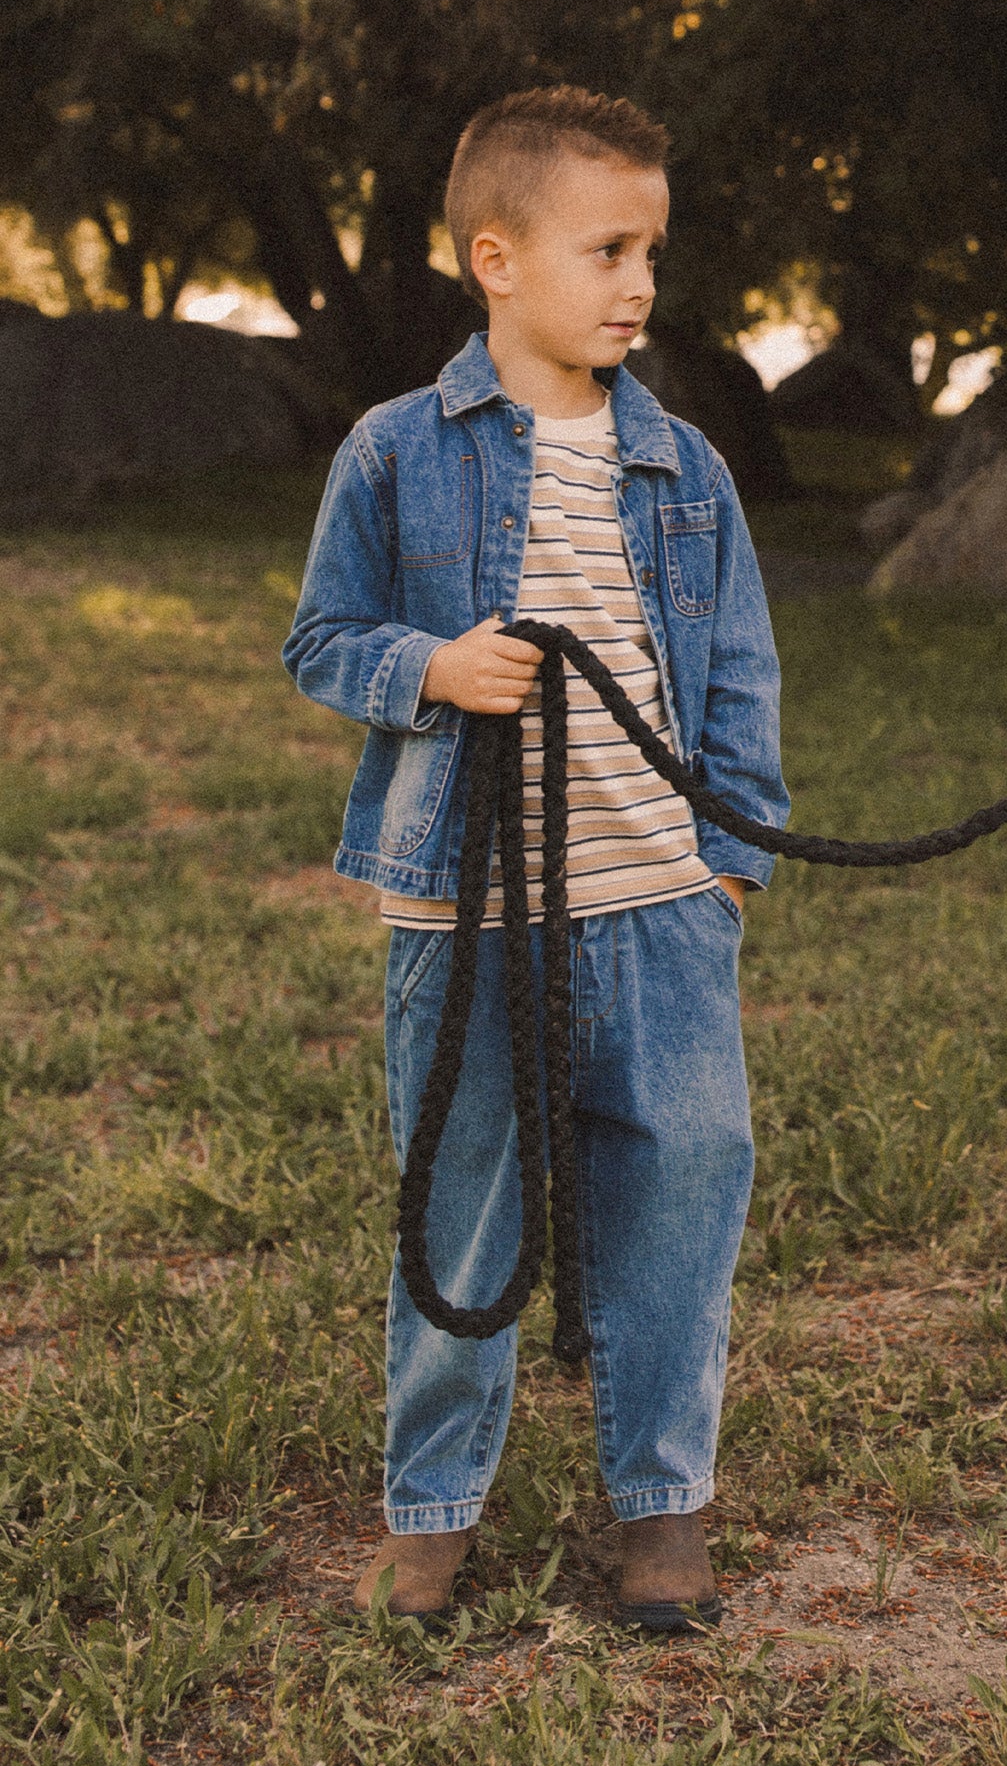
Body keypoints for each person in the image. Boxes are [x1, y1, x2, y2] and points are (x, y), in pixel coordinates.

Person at [284, 86, 787, 1629]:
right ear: (495, 260)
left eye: (653, 249)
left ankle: (663, 1505)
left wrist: (731, 862)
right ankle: (433, 1510)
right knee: (463, 1204)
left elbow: (741, 673)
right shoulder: (396, 452)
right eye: (609, 249)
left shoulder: (686, 469)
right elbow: (321, 639)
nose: (641, 282)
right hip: (467, 906)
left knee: (679, 1188)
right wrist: (432, 668)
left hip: (655, 906)